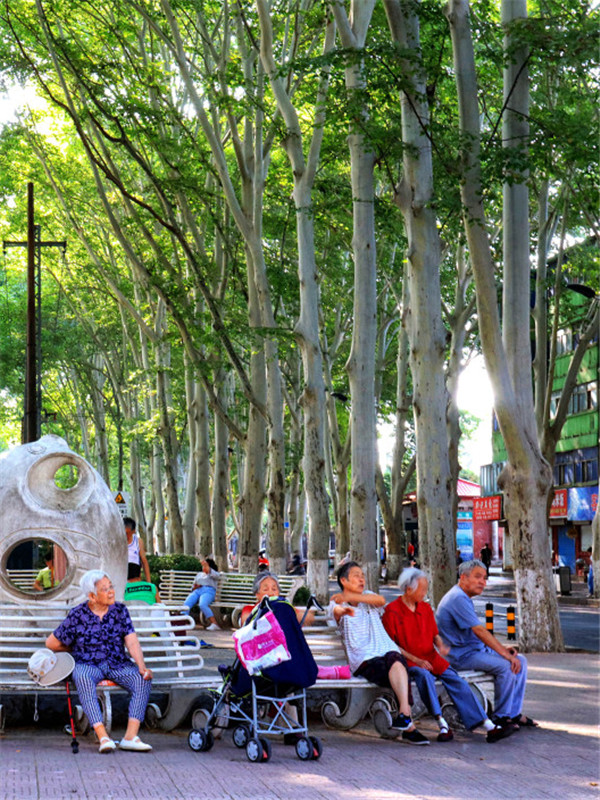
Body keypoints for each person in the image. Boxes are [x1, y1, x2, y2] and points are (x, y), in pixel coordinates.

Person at [382, 568, 513, 743]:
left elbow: (434, 634)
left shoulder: (425, 608)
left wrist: (441, 645)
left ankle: (486, 724)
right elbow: (391, 646)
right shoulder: (392, 611)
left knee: (456, 679)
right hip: (409, 661)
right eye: (422, 589)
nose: (425, 593)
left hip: (431, 657)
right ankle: (442, 723)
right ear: (408, 589)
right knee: (425, 677)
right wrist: (416, 660)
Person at [45, 569, 153, 753]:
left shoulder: (120, 611)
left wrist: (142, 667)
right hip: (88, 664)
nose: (111, 592)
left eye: (111, 587)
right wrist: (74, 649)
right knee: (82, 677)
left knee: (142, 680)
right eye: (105, 589)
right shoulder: (77, 614)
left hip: (117, 663)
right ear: (92, 596)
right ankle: (103, 737)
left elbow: (132, 641)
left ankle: (130, 737)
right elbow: (51, 643)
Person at [329, 561, 428, 746]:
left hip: (387, 654)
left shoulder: (369, 597)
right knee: (397, 669)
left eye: (362, 575)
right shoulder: (336, 601)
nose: (361, 579)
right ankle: (407, 722)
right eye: (356, 576)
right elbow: (337, 611)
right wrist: (344, 607)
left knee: (395, 658)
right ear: (343, 580)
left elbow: (381, 601)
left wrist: (353, 595)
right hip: (364, 661)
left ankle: (405, 715)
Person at [436, 560, 538, 729]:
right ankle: (501, 717)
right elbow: (479, 631)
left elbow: (478, 635)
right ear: (463, 577)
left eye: (484, 578)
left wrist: (503, 649)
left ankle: (513, 713)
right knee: (506, 666)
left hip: (475, 651)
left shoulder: (463, 597)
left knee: (520, 660)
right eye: (478, 577)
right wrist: (504, 654)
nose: (482, 582)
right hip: (460, 656)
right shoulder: (457, 598)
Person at [183, 556, 221, 631]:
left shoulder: (214, 574)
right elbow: (193, 587)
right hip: (197, 591)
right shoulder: (199, 574)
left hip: (208, 591)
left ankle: (214, 624)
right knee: (187, 603)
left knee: (202, 604)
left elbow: (216, 576)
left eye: (205, 566)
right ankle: (182, 621)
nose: (203, 567)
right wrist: (195, 587)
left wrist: (208, 568)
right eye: (203, 566)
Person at [124, 517, 151, 582]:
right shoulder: (116, 541)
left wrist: (149, 582)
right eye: (124, 533)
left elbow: (144, 561)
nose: (125, 535)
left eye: (127, 533)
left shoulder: (138, 541)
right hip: (121, 575)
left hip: (134, 577)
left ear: (133, 531)